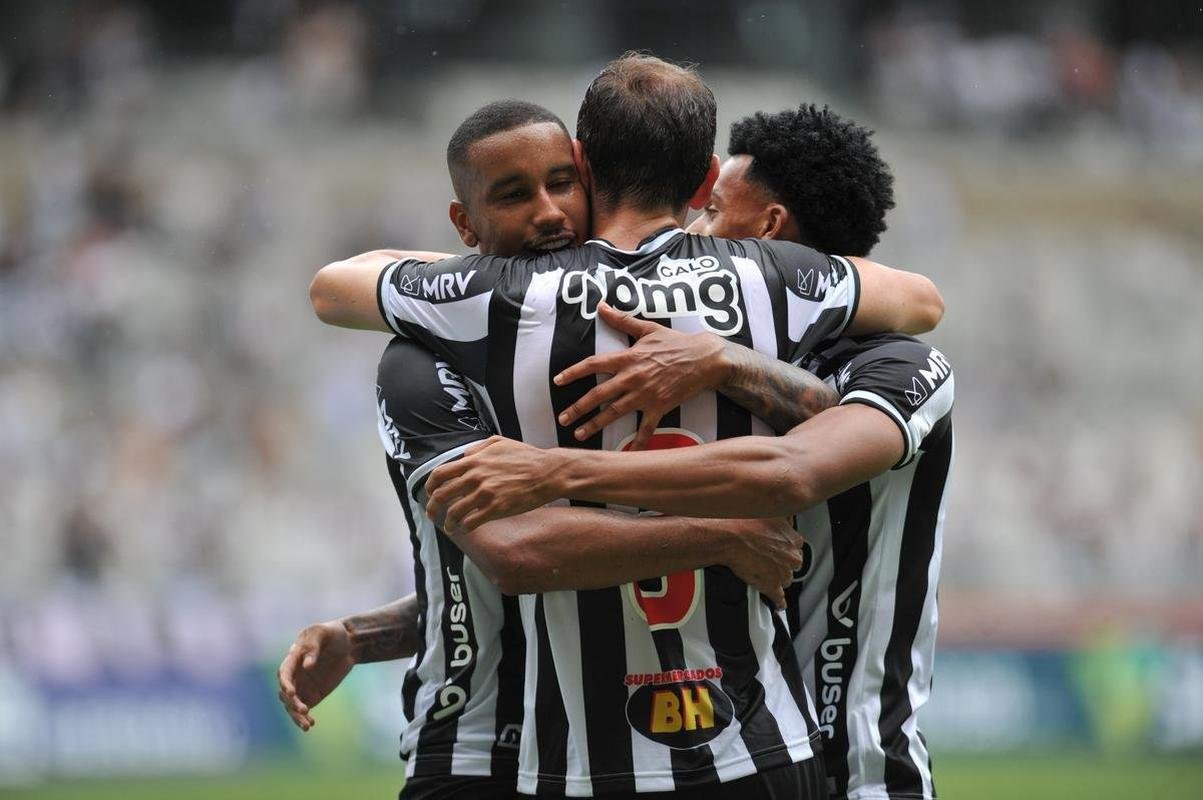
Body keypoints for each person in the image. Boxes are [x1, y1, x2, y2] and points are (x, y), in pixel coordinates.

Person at [308, 53, 943, 798]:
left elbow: (333, 288)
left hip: (582, 763)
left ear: (582, 162)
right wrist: (725, 352)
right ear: (704, 181)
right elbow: (919, 302)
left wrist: (468, 264)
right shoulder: (775, 277)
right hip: (761, 745)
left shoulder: (494, 297)